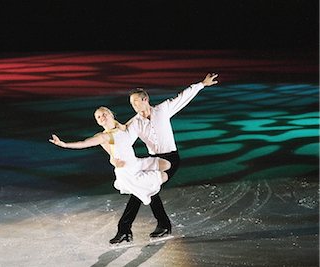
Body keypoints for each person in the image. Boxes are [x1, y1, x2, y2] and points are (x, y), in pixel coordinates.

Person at [109, 73, 219, 244]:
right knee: (145, 189)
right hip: (153, 160)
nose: (134, 105)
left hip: (170, 159)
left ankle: (129, 229)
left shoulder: (162, 110)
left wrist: (202, 84)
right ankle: (151, 226)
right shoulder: (135, 123)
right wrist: (114, 159)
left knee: (144, 189)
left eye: (136, 101)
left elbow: (183, 97)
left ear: (146, 99)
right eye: (131, 103)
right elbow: (122, 143)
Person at [49, 107, 171, 243]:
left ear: (111, 114)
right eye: (98, 117)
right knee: (162, 177)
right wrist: (64, 144)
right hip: (128, 173)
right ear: (98, 122)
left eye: (104, 114)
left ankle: (127, 229)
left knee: (166, 165)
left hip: (136, 163)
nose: (102, 118)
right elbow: (85, 143)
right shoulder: (104, 136)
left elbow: (138, 117)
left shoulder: (123, 128)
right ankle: (129, 228)